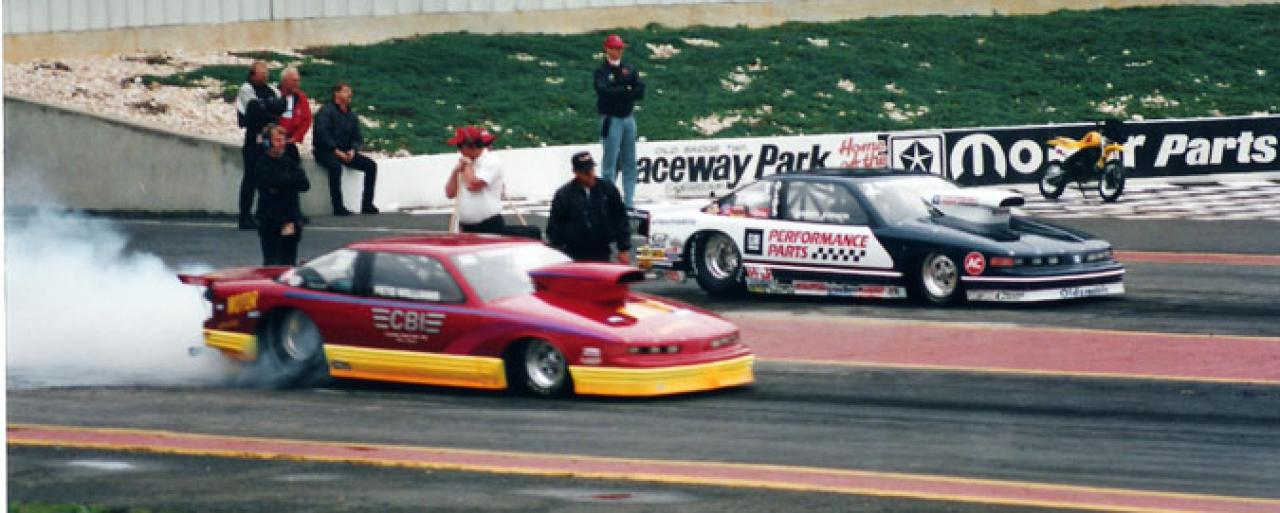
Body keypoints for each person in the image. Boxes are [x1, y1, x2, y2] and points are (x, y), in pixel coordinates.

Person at [546, 151, 631, 264]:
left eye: (591, 169)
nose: (590, 174)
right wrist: (557, 251)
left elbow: (621, 219)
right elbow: (554, 226)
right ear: (576, 172)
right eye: (585, 172)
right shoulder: (564, 195)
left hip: (602, 249)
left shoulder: (607, 190)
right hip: (573, 252)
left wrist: (623, 248)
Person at [594, 33, 645, 208]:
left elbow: (640, 89)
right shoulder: (602, 71)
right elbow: (604, 92)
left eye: (620, 48)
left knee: (630, 161)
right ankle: (609, 201)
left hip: (628, 117)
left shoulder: (628, 68)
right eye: (615, 48)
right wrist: (626, 90)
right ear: (607, 49)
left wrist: (621, 90)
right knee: (610, 161)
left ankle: (629, 201)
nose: (618, 51)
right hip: (611, 118)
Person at [312, 82, 378, 216]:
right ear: (336, 93)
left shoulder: (351, 115)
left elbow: (357, 137)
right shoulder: (326, 111)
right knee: (335, 167)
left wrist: (353, 150)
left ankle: (367, 204)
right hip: (325, 151)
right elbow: (322, 134)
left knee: (371, 166)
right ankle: (338, 206)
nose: (350, 94)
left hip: (345, 151)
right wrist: (335, 150)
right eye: (346, 91)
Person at [255, 124, 310, 266]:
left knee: (288, 262)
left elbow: (304, 184)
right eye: (277, 140)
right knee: (272, 262)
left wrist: (285, 183)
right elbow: (273, 183)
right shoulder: (262, 164)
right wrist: (288, 182)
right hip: (270, 221)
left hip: (290, 218)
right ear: (267, 143)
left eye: (283, 140)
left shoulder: (289, 162)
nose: (281, 144)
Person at [235, 60, 282, 229]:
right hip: (254, 137)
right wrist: (269, 108)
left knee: (269, 177)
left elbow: (280, 107)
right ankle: (245, 215)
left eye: (266, 73)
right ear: (253, 74)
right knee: (251, 177)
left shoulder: (272, 90)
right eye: (262, 73)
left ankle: (265, 213)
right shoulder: (246, 89)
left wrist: (266, 108)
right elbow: (254, 111)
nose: (265, 76)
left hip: (270, 137)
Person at [444, 125, 505, 235]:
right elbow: (450, 193)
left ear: (471, 146)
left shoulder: (492, 160)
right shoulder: (465, 161)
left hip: (488, 225)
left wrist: (467, 166)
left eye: (460, 146)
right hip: (465, 226)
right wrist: (455, 171)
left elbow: (473, 185)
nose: (459, 151)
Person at [276, 67, 312, 162]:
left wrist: (295, 137)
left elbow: (307, 120)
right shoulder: (274, 95)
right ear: (284, 81)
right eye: (294, 81)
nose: (297, 84)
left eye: (298, 81)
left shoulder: (301, 97)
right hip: (273, 141)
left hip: (289, 141)